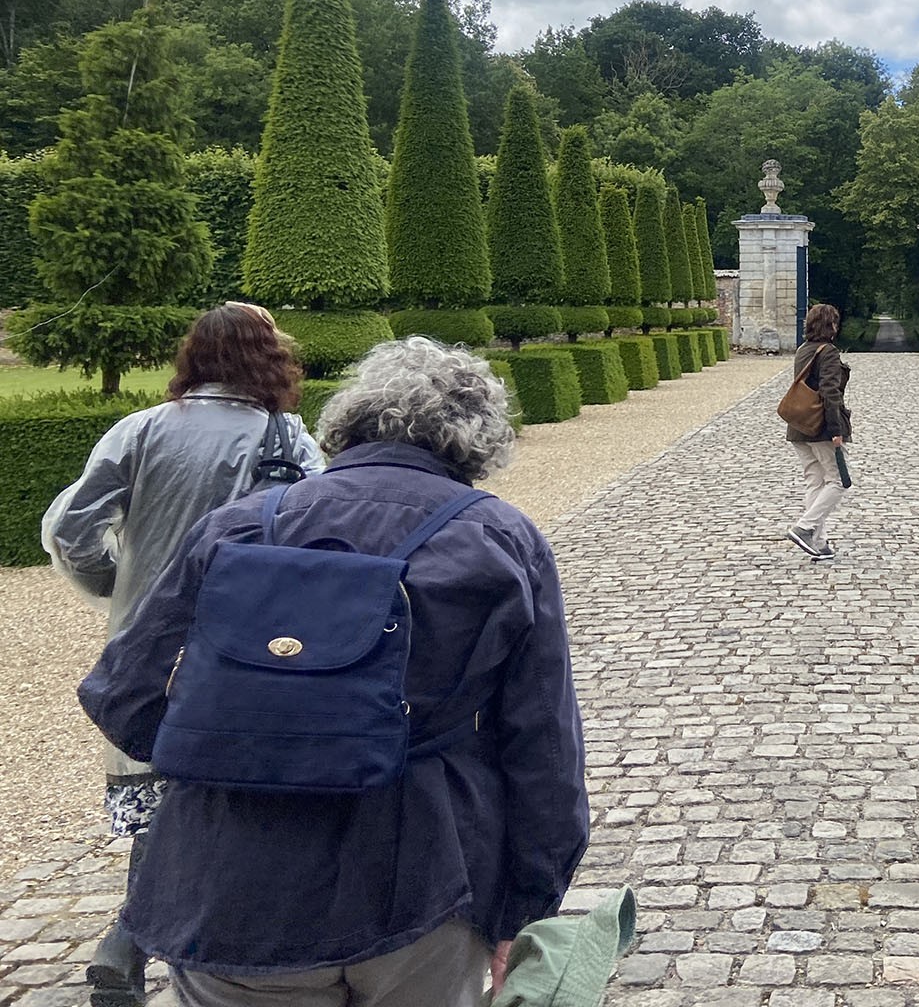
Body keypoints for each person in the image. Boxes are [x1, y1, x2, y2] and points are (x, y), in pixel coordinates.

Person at [76, 337, 591, 1007]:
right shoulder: (499, 540)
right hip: (420, 882)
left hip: (227, 884)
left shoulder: (234, 527)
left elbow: (119, 692)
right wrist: (524, 910)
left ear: (344, 424)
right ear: (478, 443)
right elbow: (544, 749)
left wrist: (225, 744)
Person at [41, 302, 324, 1007]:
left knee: (166, 789)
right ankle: (172, 940)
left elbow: (69, 527)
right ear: (270, 358)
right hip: (249, 645)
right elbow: (318, 535)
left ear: (191, 357)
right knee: (228, 793)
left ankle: (132, 942)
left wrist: (120, 590)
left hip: (147, 644)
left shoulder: (138, 430)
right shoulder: (286, 436)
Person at [785, 303, 851, 563]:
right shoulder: (829, 352)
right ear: (831, 326)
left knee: (814, 482)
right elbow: (829, 393)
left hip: (799, 427)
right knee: (839, 482)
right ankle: (804, 527)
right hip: (822, 429)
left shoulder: (803, 350)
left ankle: (818, 542)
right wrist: (836, 431)